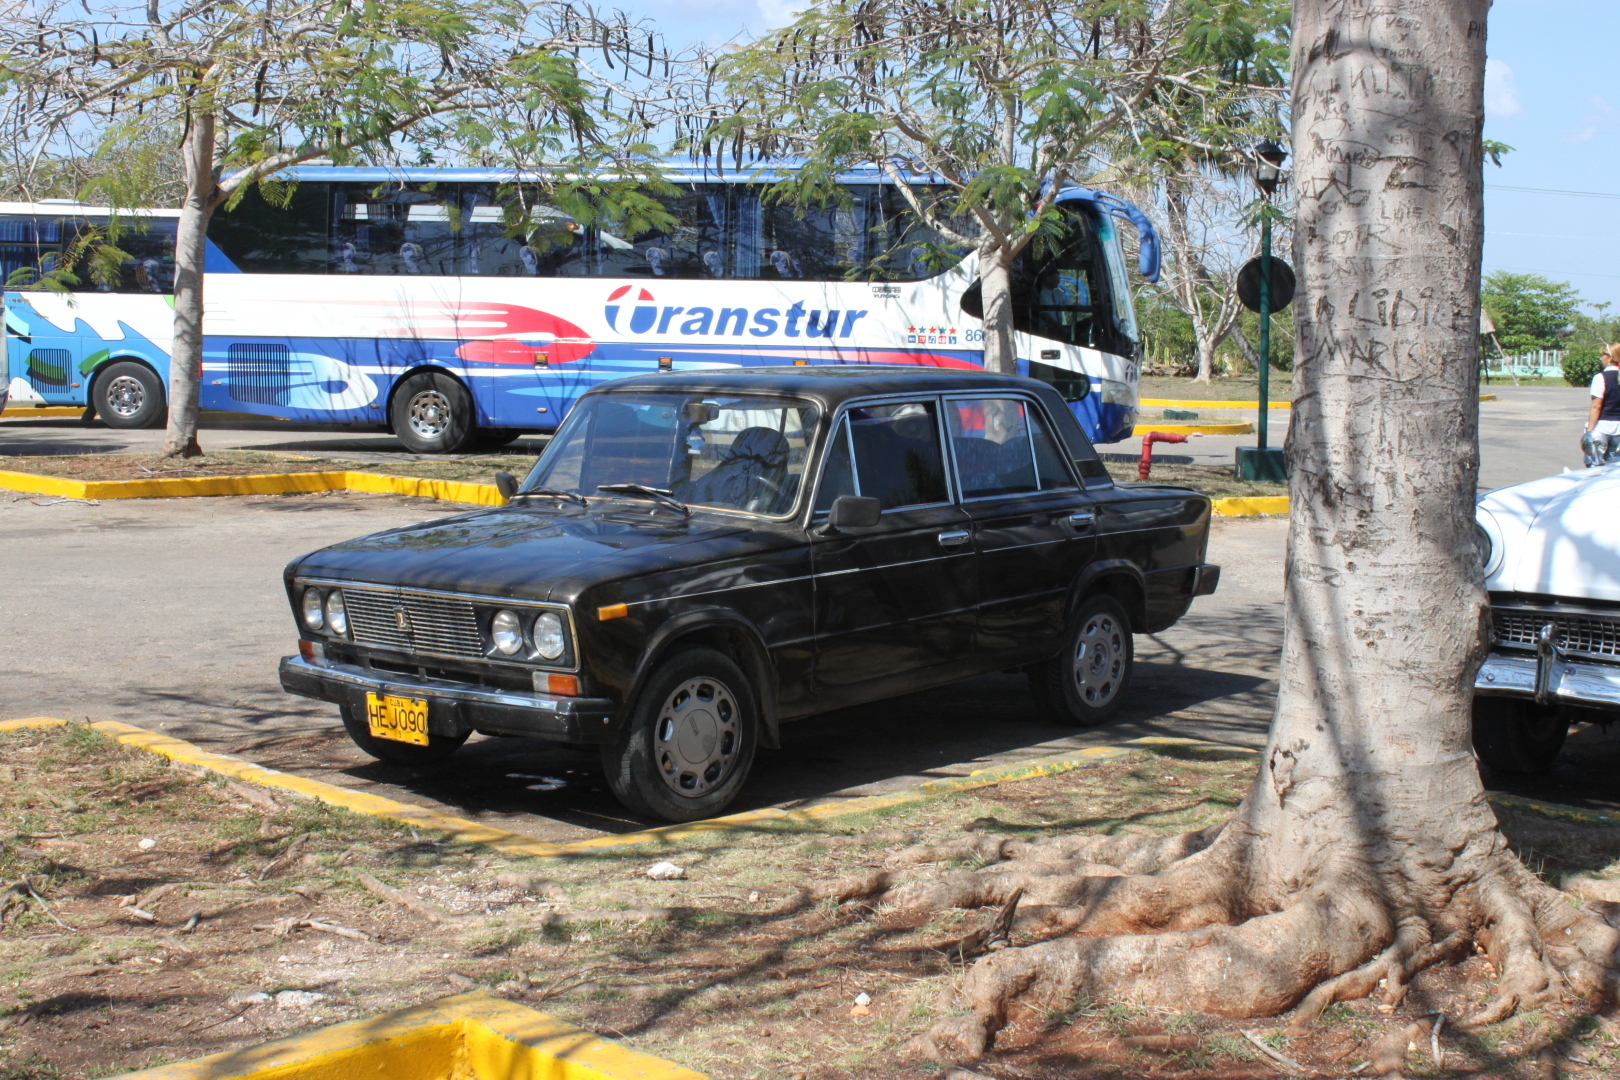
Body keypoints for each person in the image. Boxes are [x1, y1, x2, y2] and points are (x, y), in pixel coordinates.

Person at [1582, 343, 1620, 467]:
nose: (1601, 358)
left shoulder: (1600, 378)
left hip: (1602, 428)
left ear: (1610, 358)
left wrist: (1589, 431)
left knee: (1595, 466)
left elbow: (1596, 406)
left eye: (1603, 355)